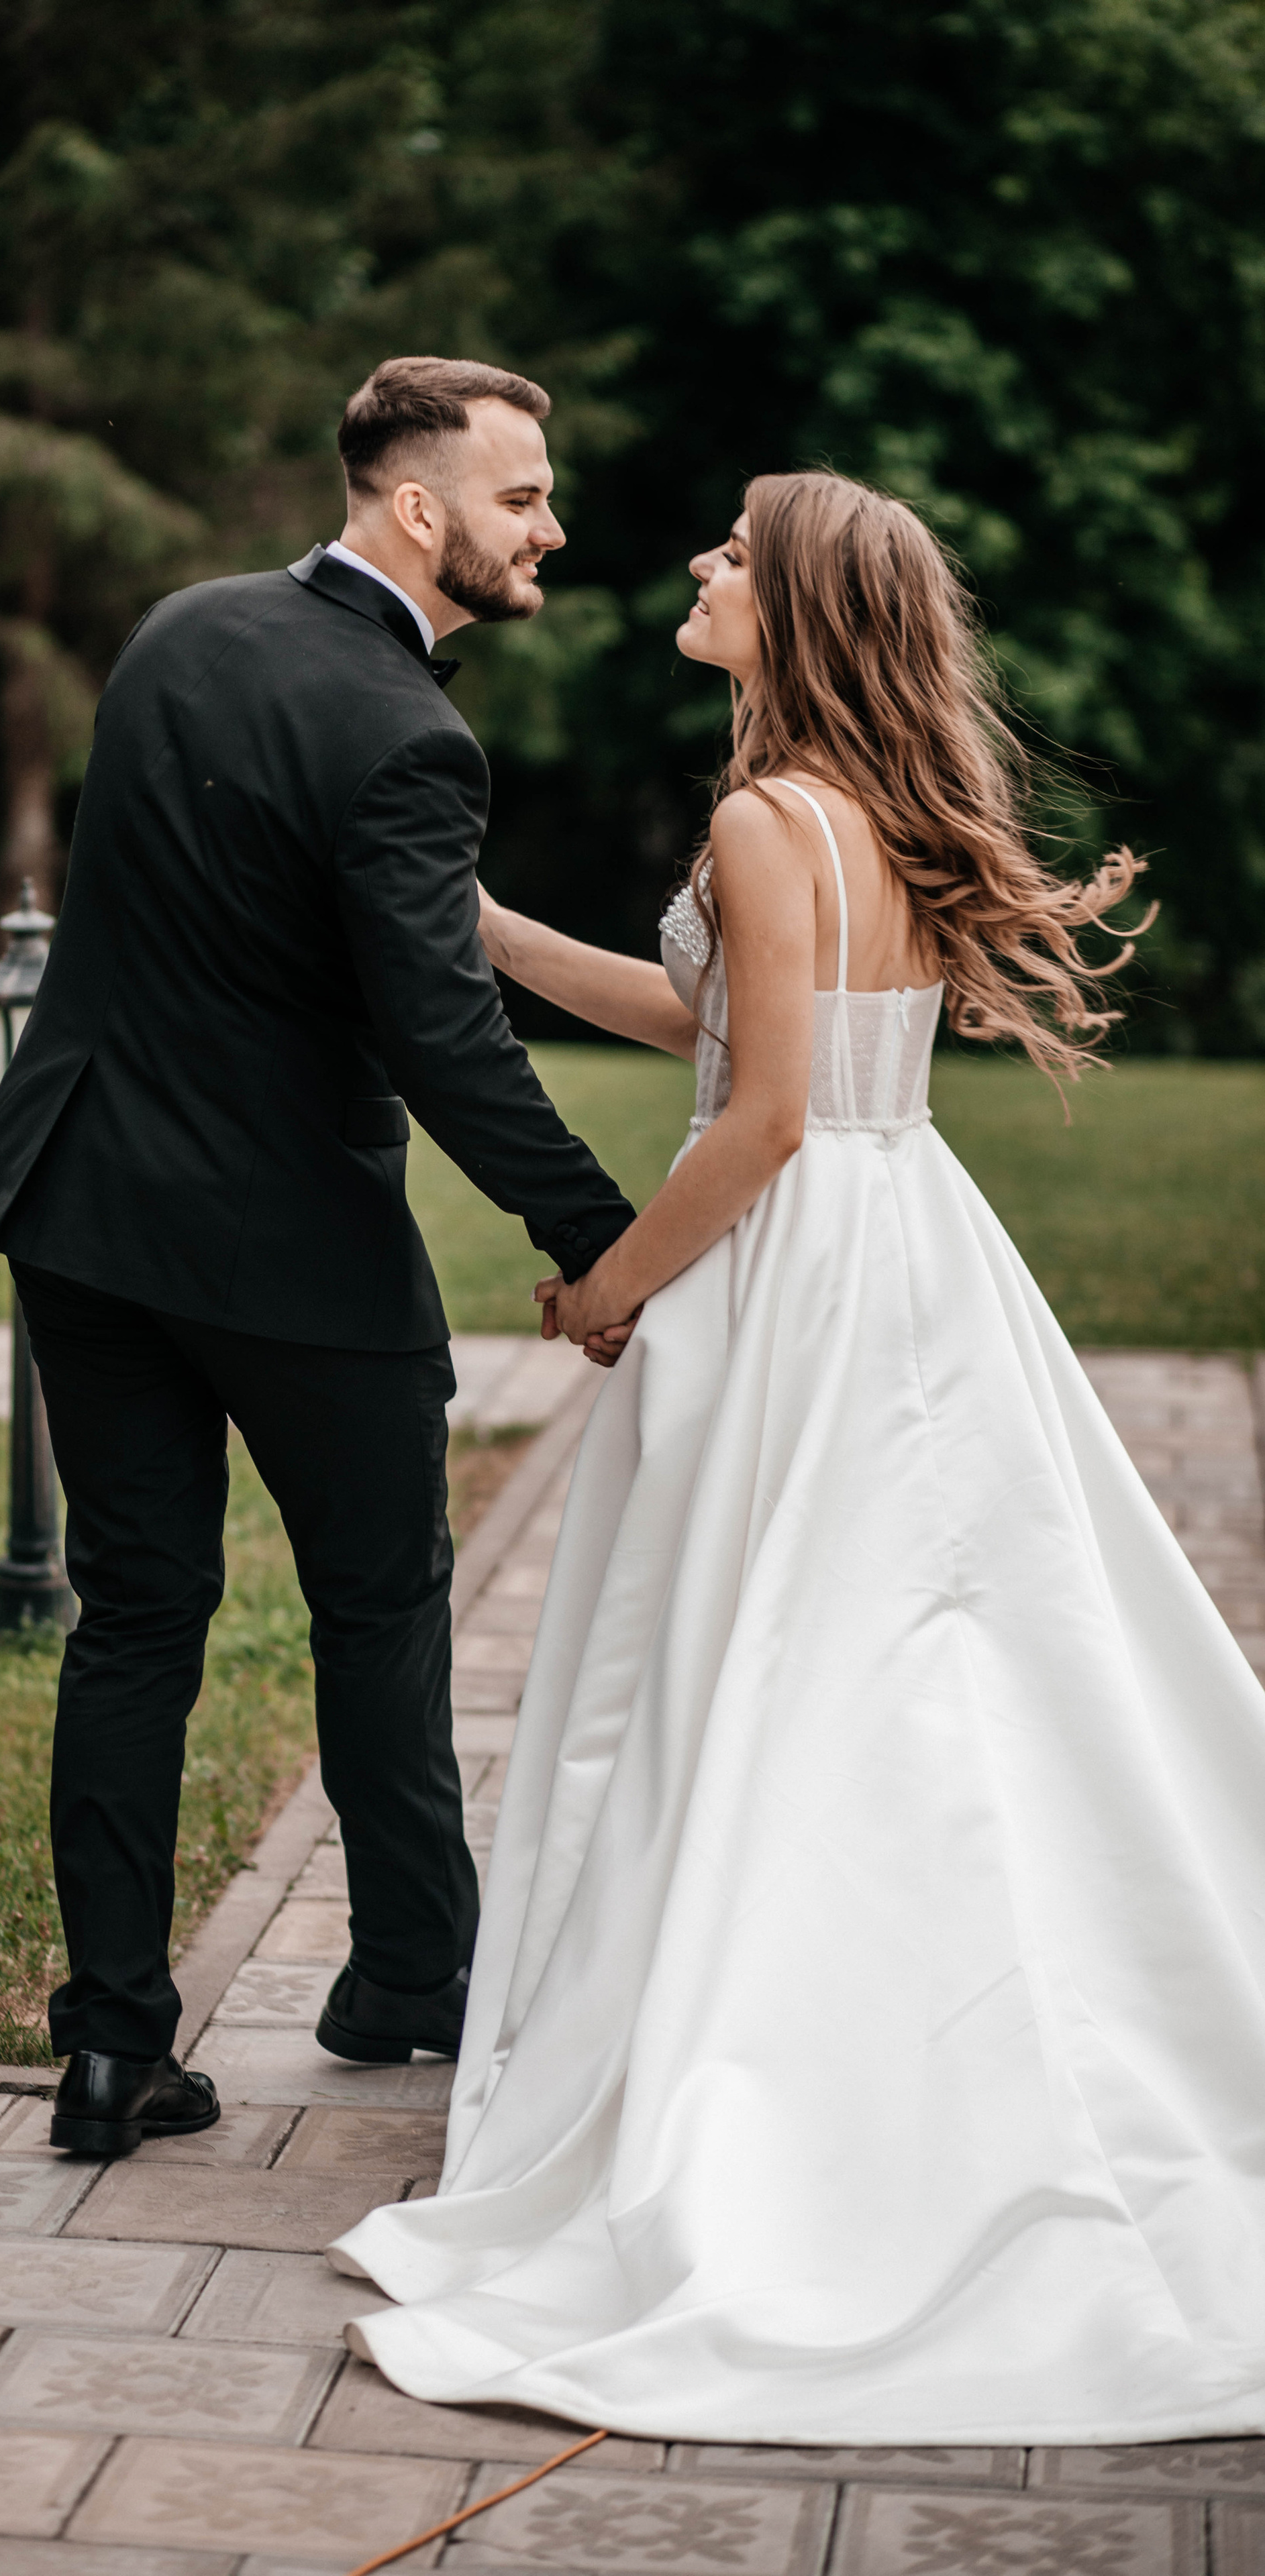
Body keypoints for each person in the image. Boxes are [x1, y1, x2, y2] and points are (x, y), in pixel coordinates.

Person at [331, 470, 1265, 2443]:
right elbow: (699, 1015)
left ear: (805, 608)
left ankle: (778, 2075)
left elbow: (754, 1118)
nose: (699, 563)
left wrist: (608, 1289)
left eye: (736, 554)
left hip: (790, 1257)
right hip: (903, 1235)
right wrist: (475, 927)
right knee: (900, 1643)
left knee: (761, 1655)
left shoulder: (771, 817)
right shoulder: (868, 810)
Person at [0, 358, 635, 2159]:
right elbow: (445, 1035)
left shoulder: (180, 629)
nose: (551, 528)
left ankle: (112, 2049)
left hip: (82, 1207)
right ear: (418, 509)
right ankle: (411, 1973)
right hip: (290, 1249)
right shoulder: (412, 735)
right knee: (381, 1606)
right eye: (522, 498)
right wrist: (601, 1234)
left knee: (135, 1619)